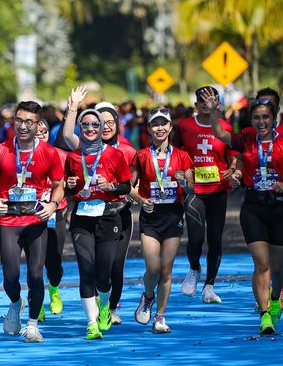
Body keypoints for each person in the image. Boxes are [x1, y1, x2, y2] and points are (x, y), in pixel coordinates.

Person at [205, 90, 283, 334]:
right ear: (251, 120)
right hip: (253, 207)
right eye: (256, 118)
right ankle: (264, 316)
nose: (261, 122)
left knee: (278, 267)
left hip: (280, 206)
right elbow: (220, 134)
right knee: (261, 264)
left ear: (273, 118)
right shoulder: (247, 138)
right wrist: (214, 112)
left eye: (265, 117)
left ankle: (275, 297)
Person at [0, 101, 64, 343]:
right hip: (9, 220)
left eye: (29, 122)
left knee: (36, 274)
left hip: (36, 219)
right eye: (19, 120)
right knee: (10, 275)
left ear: (38, 125)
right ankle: (17, 303)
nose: (23, 126)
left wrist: (52, 205)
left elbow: (58, 186)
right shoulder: (1, 150)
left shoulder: (49, 152)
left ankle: (32, 325)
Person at [62, 89, 132, 340]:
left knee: (104, 274)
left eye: (95, 124)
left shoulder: (116, 154)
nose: (90, 128)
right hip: (82, 219)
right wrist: (70, 184)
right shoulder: (74, 156)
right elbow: (69, 187)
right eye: (86, 125)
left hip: (108, 217)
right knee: (86, 270)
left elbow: (126, 187)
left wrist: (111, 186)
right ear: (80, 128)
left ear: (101, 127)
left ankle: (105, 306)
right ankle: (91, 323)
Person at [129, 108, 194, 333]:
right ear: (148, 129)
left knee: (166, 271)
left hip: (173, 216)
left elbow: (192, 188)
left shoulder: (182, 156)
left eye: (163, 124)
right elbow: (129, 187)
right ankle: (148, 297)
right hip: (150, 216)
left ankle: (160, 317)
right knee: (153, 268)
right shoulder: (141, 156)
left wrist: (183, 181)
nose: (159, 128)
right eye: (155, 124)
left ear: (170, 128)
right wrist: (140, 199)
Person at [245, 87, 283, 310]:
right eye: (259, 111)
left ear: (276, 110)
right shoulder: (249, 135)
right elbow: (236, 153)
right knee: (262, 260)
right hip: (256, 202)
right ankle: (264, 301)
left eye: (268, 107)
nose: (262, 117)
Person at [175, 86, 237, 303]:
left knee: (215, 238)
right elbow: (174, 153)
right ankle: (194, 268)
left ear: (218, 104)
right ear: (195, 104)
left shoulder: (225, 127)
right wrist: (180, 173)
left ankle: (209, 286)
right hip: (194, 190)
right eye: (202, 100)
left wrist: (233, 169)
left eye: (211, 100)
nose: (206, 104)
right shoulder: (184, 126)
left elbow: (234, 155)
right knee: (196, 237)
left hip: (218, 189)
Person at [95, 101, 136, 324]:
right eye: (101, 122)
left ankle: (110, 309)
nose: (107, 127)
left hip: (120, 214)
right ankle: (96, 305)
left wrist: (131, 195)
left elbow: (135, 182)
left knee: (116, 264)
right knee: (97, 264)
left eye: (111, 122)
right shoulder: (85, 149)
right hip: (92, 214)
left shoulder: (128, 150)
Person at [35, 119, 67, 319]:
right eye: (37, 131)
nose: (40, 134)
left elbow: (73, 182)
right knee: (35, 262)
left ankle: (54, 288)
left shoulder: (61, 155)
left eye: (44, 131)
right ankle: (36, 301)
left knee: (54, 261)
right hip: (31, 213)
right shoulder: (23, 155)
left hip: (57, 213)